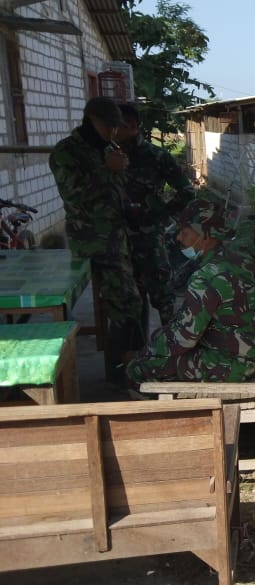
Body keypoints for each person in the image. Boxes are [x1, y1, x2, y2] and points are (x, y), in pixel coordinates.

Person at [49, 96, 144, 389]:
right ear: (93, 121)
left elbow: (115, 193)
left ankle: (129, 367)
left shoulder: (107, 149)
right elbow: (74, 195)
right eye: (109, 126)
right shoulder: (67, 152)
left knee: (128, 301)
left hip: (117, 238)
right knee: (123, 302)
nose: (114, 133)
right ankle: (120, 373)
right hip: (91, 242)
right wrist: (108, 170)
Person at [126, 199, 255, 383]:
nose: (178, 238)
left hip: (232, 364)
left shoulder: (208, 276)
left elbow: (183, 338)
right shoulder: (241, 261)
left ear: (206, 237)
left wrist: (144, 353)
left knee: (139, 369)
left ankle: (162, 410)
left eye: (185, 233)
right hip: (251, 356)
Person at [115, 103, 195, 327]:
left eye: (117, 125)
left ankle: (171, 349)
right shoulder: (108, 158)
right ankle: (137, 352)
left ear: (132, 126)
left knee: (163, 296)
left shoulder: (156, 156)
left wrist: (160, 214)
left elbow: (186, 191)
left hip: (150, 240)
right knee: (130, 302)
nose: (113, 131)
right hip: (119, 240)